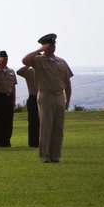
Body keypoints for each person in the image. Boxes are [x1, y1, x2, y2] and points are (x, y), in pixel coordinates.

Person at [22, 34, 73, 163]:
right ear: (45, 46)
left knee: (58, 128)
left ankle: (56, 155)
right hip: (46, 95)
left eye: (54, 44)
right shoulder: (38, 60)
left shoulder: (61, 62)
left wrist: (67, 100)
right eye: (50, 45)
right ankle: (45, 156)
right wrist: (39, 50)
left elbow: (67, 82)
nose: (52, 47)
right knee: (46, 127)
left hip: (59, 95)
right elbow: (25, 60)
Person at [0, 51, 18, 147]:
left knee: (8, 120)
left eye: (6, 59)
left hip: (8, 96)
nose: (5, 61)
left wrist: (13, 99)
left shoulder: (11, 71)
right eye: (3, 59)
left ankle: (7, 141)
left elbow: (13, 86)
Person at [16, 64, 39, 148]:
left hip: (43, 97)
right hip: (33, 97)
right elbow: (19, 72)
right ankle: (33, 142)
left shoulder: (44, 70)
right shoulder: (29, 71)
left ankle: (42, 141)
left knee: (43, 121)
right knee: (33, 121)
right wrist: (29, 64)